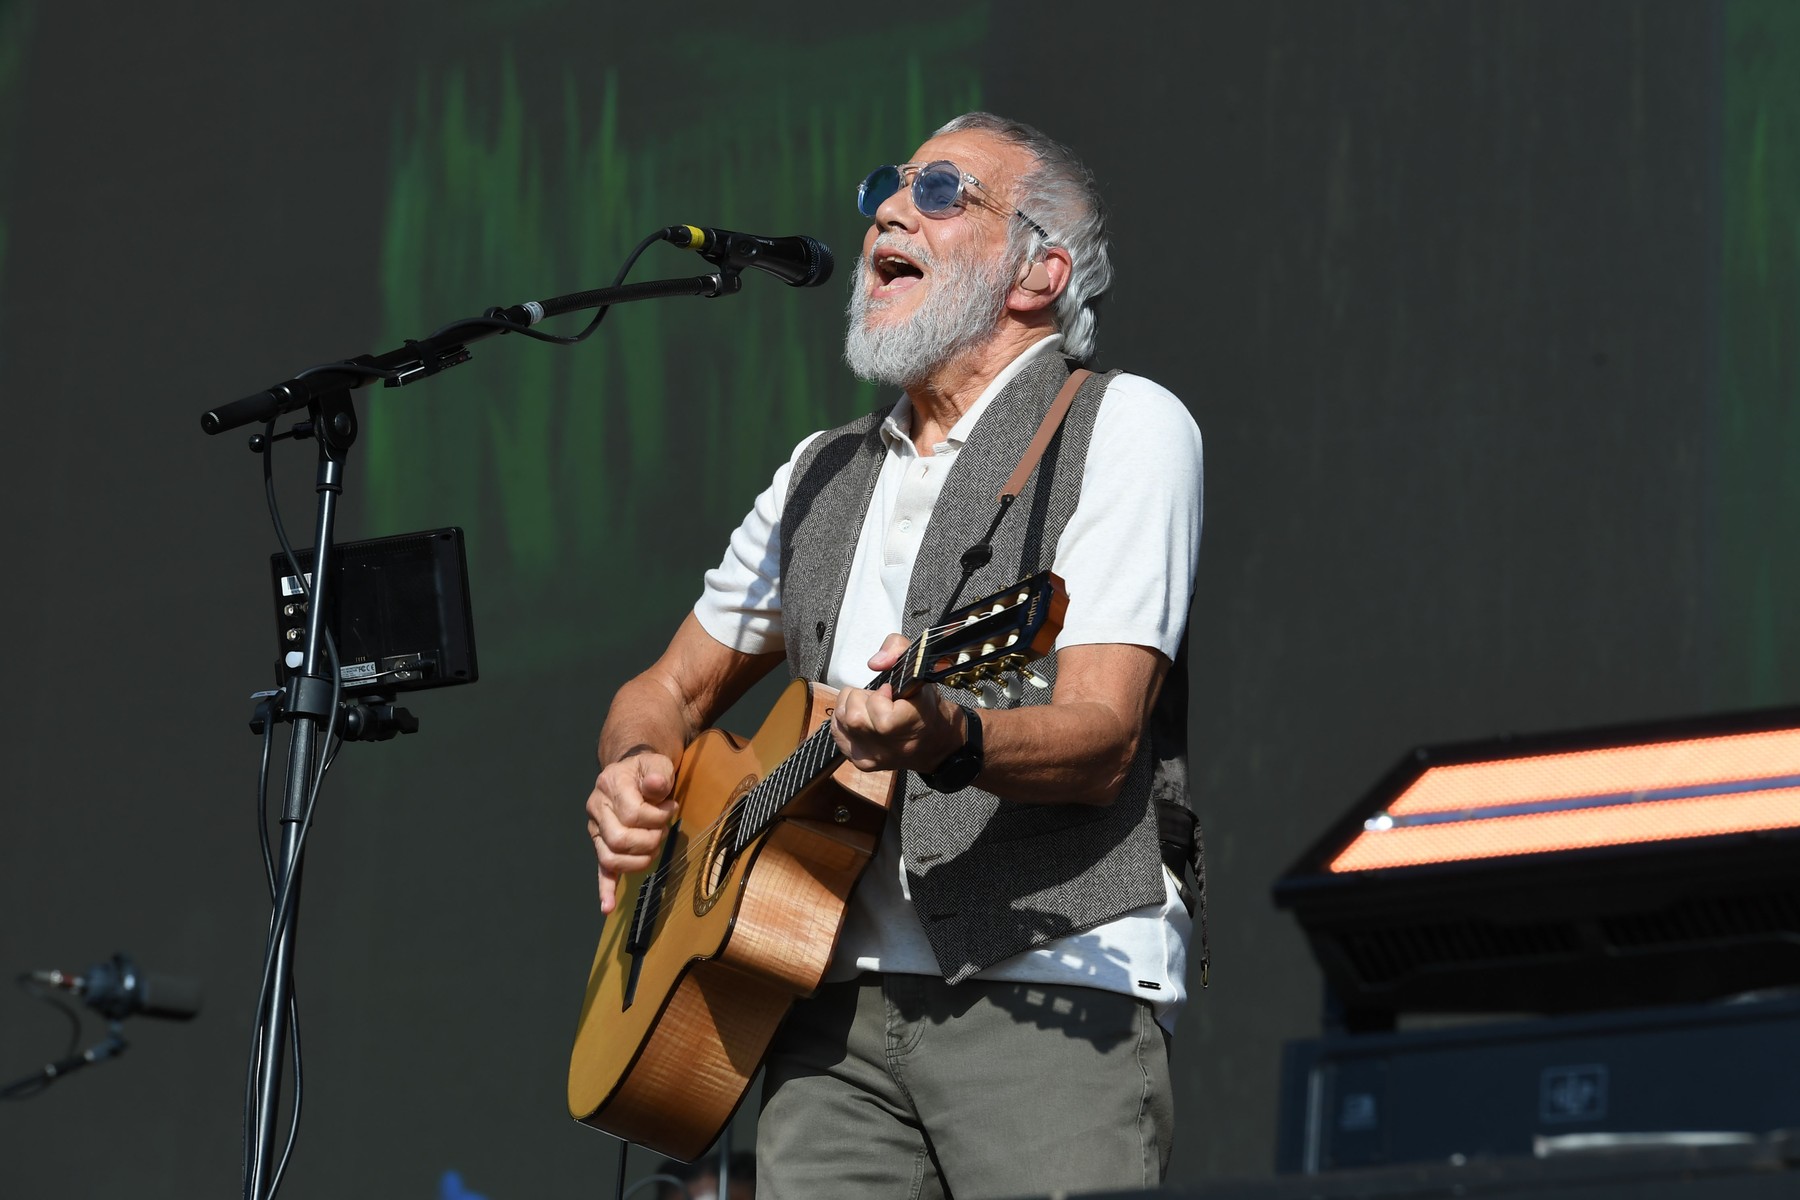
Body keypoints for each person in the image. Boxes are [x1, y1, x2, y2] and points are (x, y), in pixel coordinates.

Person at [586, 111, 1204, 1198]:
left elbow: (1104, 734)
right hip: (820, 1005)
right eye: (889, 185)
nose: (885, 209)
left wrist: (953, 734)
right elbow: (667, 689)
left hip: (1046, 988)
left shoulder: (1125, 426)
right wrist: (634, 769)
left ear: (1039, 275)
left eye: (940, 193)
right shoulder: (821, 472)